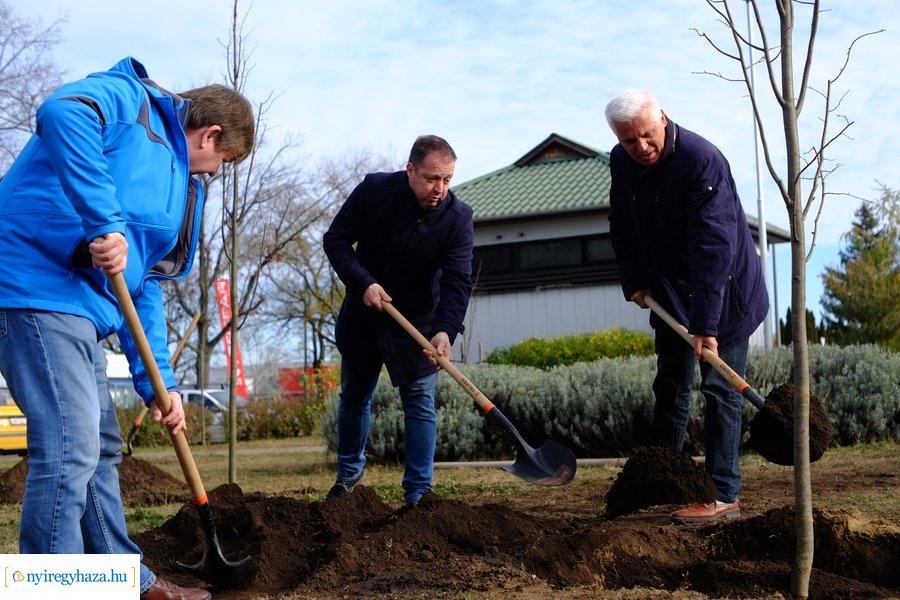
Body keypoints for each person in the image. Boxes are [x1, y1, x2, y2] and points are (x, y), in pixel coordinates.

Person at [0, 57, 255, 600]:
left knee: (100, 447)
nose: (212, 173)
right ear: (209, 134)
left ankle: (121, 580)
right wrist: (104, 221)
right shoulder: (127, 100)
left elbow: (145, 283)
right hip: (30, 287)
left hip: (82, 312)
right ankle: (51, 589)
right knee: (70, 444)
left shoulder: (178, 186)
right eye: (221, 160)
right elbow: (60, 115)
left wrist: (158, 384)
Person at [604, 89, 769, 523]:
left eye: (646, 134)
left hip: (725, 295)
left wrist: (705, 323)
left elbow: (713, 249)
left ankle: (723, 495)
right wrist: (635, 280)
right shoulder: (621, 164)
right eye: (628, 141)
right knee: (671, 388)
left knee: (719, 389)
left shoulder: (701, 161)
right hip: (671, 296)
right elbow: (620, 224)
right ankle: (662, 484)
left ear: (662, 117)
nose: (640, 147)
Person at [323, 134, 474, 507]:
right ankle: (349, 472)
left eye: (447, 180)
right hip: (365, 314)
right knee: (355, 396)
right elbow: (336, 240)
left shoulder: (458, 219)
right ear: (410, 170)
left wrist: (445, 331)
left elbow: (457, 282)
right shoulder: (374, 191)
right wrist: (363, 283)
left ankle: (419, 492)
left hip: (418, 322)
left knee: (420, 402)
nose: (439, 189)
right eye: (431, 178)